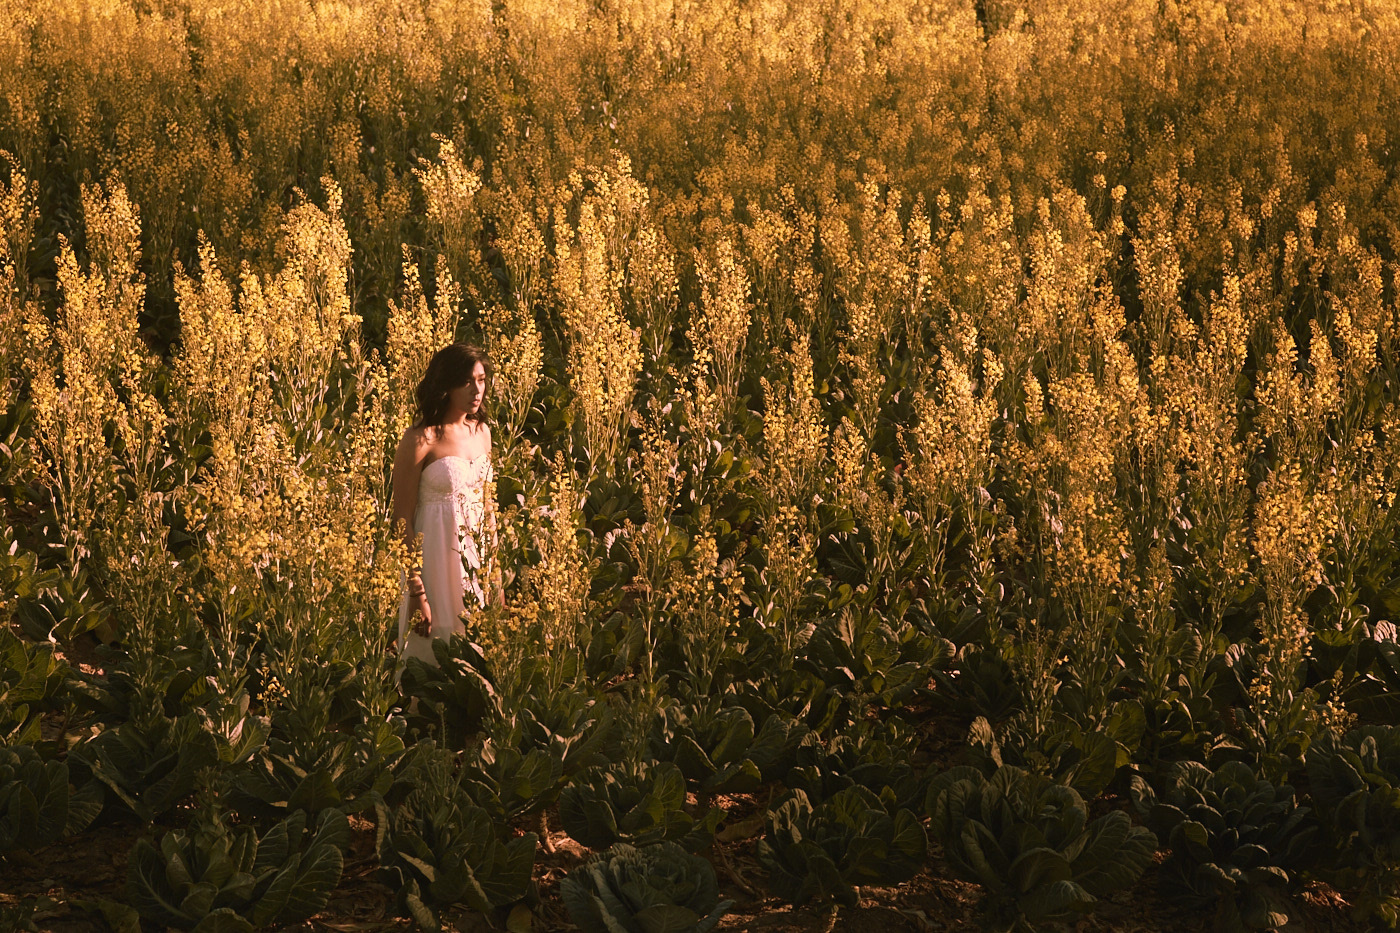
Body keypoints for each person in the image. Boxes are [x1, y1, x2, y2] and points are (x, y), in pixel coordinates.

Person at [392, 343, 495, 667]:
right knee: (431, 657)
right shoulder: (421, 438)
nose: (476, 390)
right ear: (446, 385)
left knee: (479, 652)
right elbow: (401, 520)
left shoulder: (482, 433)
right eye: (466, 381)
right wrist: (416, 591)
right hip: (434, 562)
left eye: (481, 379)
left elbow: (489, 511)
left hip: (476, 562)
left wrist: (496, 575)